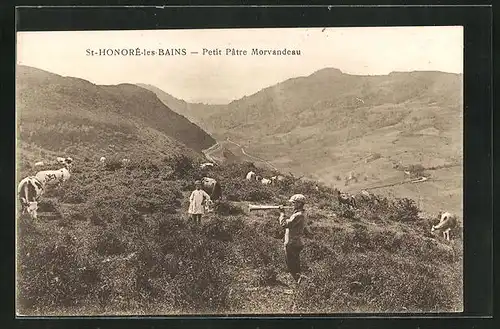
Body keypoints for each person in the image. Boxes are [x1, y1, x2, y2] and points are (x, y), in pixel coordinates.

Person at [278, 193, 308, 284]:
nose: (292, 205)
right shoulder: (302, 213)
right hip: (297, 242)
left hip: (292, 243)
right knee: (296, 265)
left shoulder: (298, 215)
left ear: (299, 204)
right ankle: (300, 284)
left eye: (294, 203)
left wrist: (282, 213)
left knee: (292, 266)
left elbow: (284, 224)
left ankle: (300, 284)